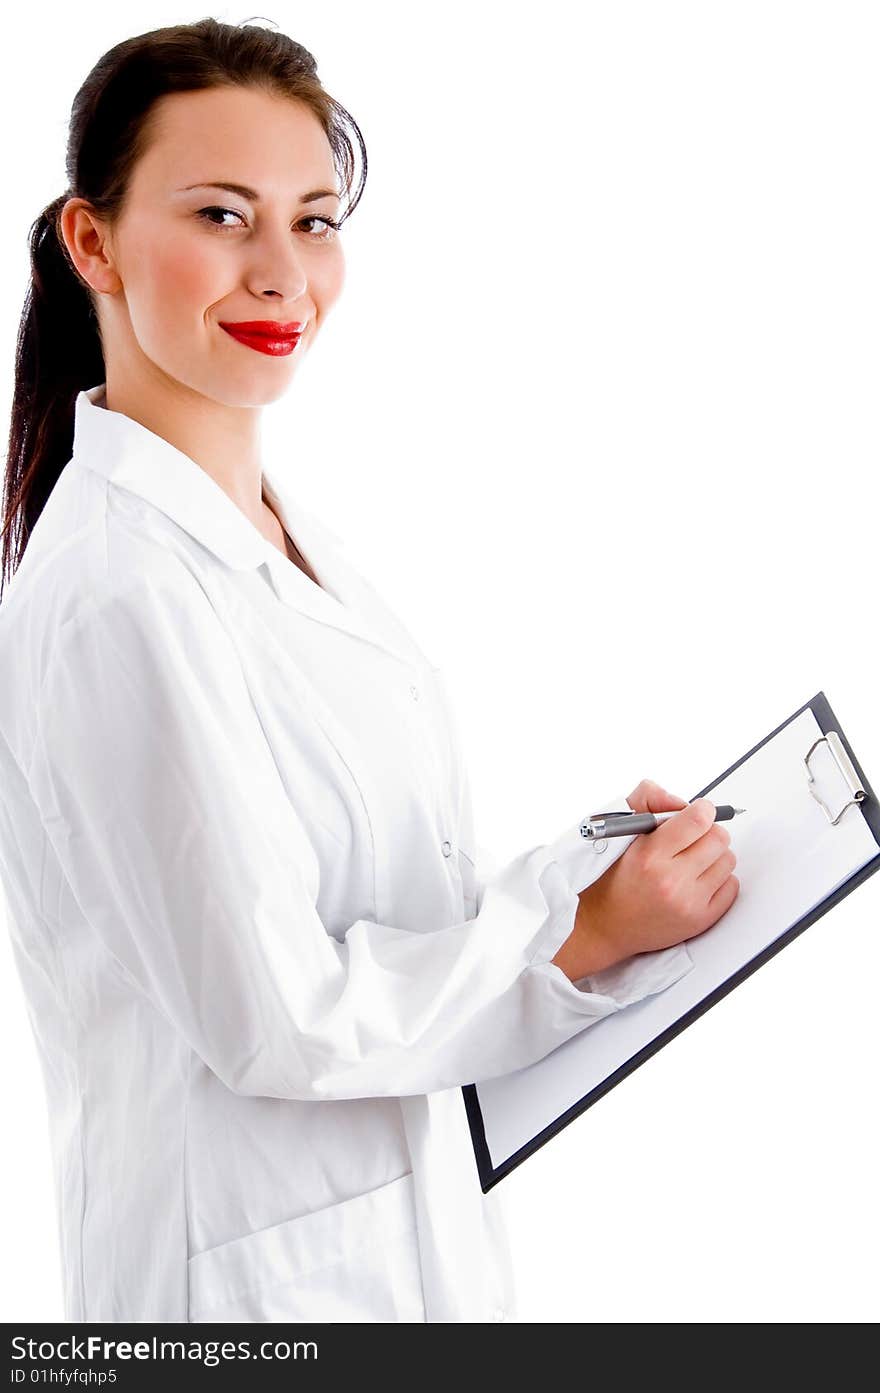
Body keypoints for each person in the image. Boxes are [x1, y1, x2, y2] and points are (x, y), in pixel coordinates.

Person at [0, 18, 739, 1324]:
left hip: (390, 1256)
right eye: (224, 215)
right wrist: (583, 933)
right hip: (237, 1303)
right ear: (93, 241)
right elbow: (281, 1013)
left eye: (315, 218)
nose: (283, 273)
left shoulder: (284, 541)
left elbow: (371, 898)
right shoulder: (118, 592)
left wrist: (586, 876)